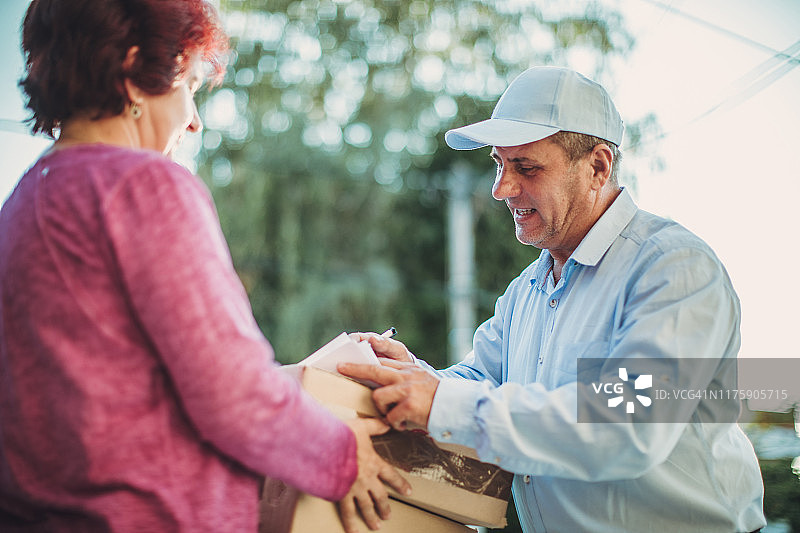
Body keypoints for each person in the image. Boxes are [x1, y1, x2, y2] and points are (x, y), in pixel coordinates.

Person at [0, 1, 408, 532]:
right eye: (189, 85)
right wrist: (343, 456)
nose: (193, 120)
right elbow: (233, 393)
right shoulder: (143, 187)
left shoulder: (26, 199)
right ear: (132, 72)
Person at [340, 66, 766, 532]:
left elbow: (624, 423)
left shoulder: (674, 269)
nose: (501, 189)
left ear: (597, 168)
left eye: (527, 167)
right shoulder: (528, 288)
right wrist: (414, 376)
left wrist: (439, 400)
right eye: (499, 164)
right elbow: (482, 380)